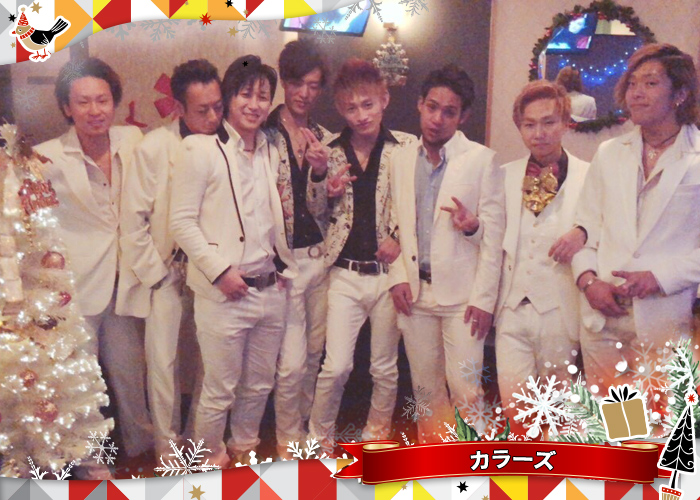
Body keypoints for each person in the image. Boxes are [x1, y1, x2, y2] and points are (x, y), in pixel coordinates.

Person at [169, 55, 297, 467]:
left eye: (263, 96)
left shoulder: (269, 149)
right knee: (219, 389)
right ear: (229, 97)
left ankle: (244, 451)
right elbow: (181, 222)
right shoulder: (200, 148)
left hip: (270, 288)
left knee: (259, 385)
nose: (255, 104)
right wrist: (220, 272)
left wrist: (281, 265)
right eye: (246, 94)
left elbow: (271, 217)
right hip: (225, 293)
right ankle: (208, 461)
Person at [35, 58, 153, 459]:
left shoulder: (133, 140)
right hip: (78, 284)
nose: (94, 110)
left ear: (114, 102)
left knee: (129, 370)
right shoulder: (46, 157)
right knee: (82, 379)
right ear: (67, 108)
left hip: (125, 279)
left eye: (102, 100)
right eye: (82, 102)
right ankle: (90, 458)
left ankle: (141, 444)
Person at [571, 43, 700, 390]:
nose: (636, 93)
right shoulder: (610, 153)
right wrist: (588, 281)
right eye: (632, 83)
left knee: (661, 418)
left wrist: (659, 277)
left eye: (651, 83)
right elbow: (585, 227)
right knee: (615, 417)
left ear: (680, 95)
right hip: (603, 318)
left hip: (664, 320)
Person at [388, 64, 505, 442]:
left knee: (467, 390)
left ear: (462, 116)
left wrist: (484, 300)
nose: (437, 119)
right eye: (432, 107)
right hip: (415, 293)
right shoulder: (400, 157)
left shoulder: (482, 160)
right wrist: (396, 278)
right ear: (420, 104)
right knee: (425, 392)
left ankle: (472, 462)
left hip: (463, 299)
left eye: (449, 112)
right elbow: (391, 224)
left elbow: (493, 238)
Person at [306, 58, 414, 452]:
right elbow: (314, 214)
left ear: (384, 100)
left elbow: (418, 206)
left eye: (368, 104)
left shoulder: (407, 147)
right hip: (344, 273)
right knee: (336, 366)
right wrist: (323, 183)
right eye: (351, 108)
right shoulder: (330, 151)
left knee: (384, 367)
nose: (361, 115)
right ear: (340, 109)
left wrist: (398, 238)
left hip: (389, 274)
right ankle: (318, 442)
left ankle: (376, 436)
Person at [118, 59, 223, 458]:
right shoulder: (153, 147)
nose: (213, 117)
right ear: (179, 107)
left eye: (218, 106)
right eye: (202, 110)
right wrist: (157, 275)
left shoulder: (227, 142)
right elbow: (133, 221)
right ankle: (167, 445)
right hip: (168, 267)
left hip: (214, 269)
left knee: (211, 358)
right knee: (163, 360)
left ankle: (201, 436)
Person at [496, 80, 589, 435]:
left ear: (565, 122)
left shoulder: (589, 175)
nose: (539, 133)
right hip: (511, 308)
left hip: (560, 309)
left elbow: (608, 227)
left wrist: (583, 232)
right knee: (516, 412)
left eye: (549, 122)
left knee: (559, 413)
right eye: (529, 124)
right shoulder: (504, 175)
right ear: (520, 127)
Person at [263, 40, 333, 459]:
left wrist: (322, 174)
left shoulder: (324, 137)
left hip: (319, 258)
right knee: (290, 363)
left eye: (313, 85)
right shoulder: (264, 133)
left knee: (314, 352)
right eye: (296, 83)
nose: (304, 93)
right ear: (284, 83)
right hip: (284, 263)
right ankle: (287, 440)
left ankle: (306, 427)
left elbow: (323, 210)